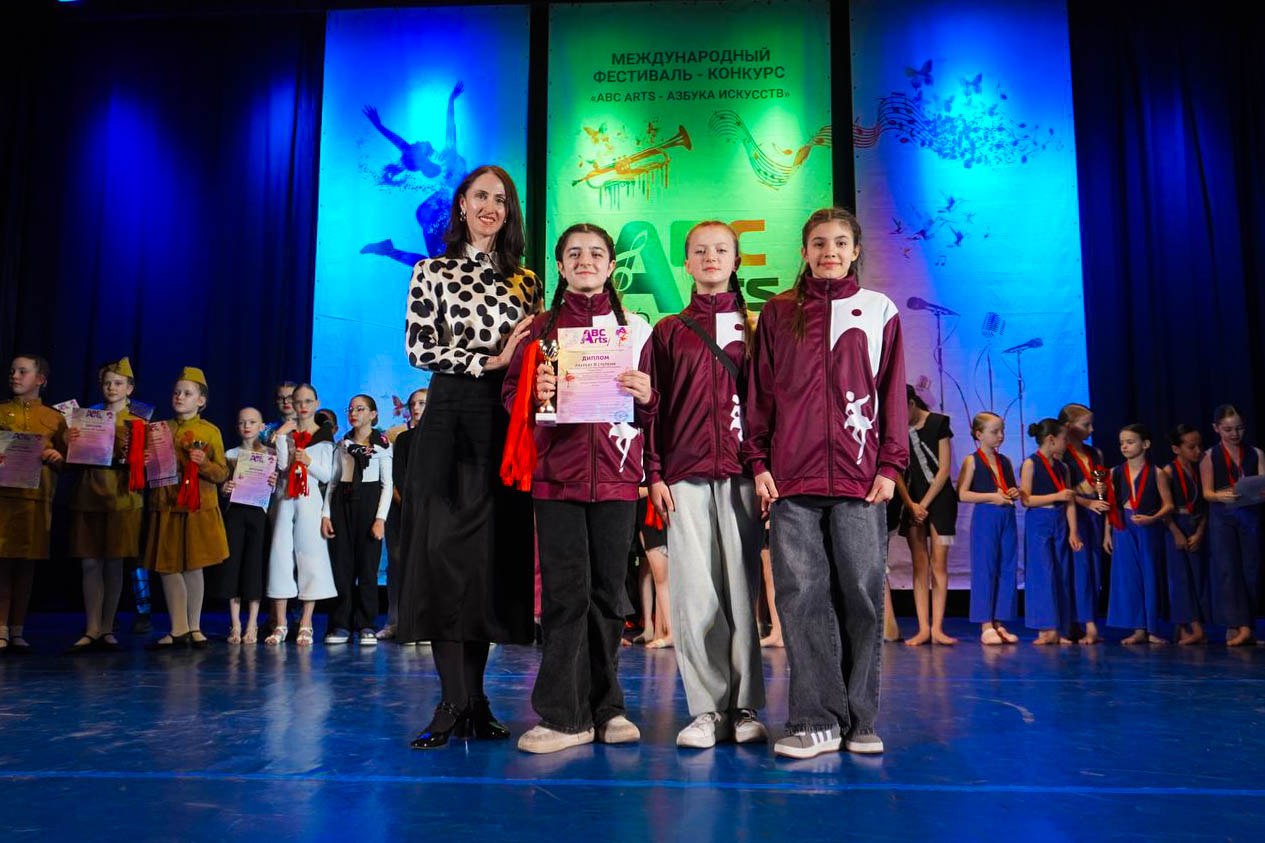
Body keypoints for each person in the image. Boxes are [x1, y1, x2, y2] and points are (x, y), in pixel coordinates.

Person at [743, 208, 907, 759]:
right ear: (804, 250)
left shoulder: (879, 310)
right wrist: (759, 462)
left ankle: (860, 721)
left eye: (839, 242)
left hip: (861, 481)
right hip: (792, 481)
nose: (829, 251)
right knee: (801, 599)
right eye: (818, 243)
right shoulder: (778, 312)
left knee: (861, 596)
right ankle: (816, 721)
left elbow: (893, 393)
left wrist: (891, 466)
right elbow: (760, 394)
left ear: (855, 250)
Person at [501, 222, 656, 755]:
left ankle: (608, 708)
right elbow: (510, 400)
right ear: (561, 265)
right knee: (565, 597)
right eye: (574, 253)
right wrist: (533, 389)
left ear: (611, 266)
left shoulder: (636, 330)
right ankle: (565, 716)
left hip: (617, 478)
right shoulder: (539, 329)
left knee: (609, 597)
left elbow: (656, 409)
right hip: (556, 478)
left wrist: (648, 394)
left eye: (595, 253)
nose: (585, 261)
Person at [400, 165, 540, 750]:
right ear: (461, 204)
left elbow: (536, 353)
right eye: (481, 196)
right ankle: (451, 700)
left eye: (500, 200)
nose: (490, 207)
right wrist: (490, 359)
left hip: (504, 422)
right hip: (450, 419)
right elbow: (417, 348)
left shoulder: (527, 281)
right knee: (444, 559)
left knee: (486, 563)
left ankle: (476, 701)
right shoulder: (430, 271)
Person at [646, 219, 767, 749]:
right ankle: (706, 709)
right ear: (687, 263)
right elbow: (650, 407)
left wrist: (766, 470)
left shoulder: (758, 326)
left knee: (742, 592)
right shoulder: (668, 330)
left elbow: (772, 405)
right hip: (685, 475)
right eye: (700, 250)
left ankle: (744, 707)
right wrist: (654, 473)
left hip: (743, 473)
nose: (711, 257)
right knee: (695, 595)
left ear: (736, 260)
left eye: (721, 249)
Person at [141, 367, 229, 650]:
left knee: (193, 566)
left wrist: (203, 463)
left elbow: (222, 473)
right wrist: (144, 461)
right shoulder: (159, 429)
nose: (179, 397)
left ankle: (194, 626)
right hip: (166, 505)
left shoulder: (210, 431)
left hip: (197, 508)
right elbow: (148, 471)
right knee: (167, 566)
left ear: (201, 401)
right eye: (177, 392)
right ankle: (178, 628)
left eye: (187, 393)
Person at [65, 357, 146, 653]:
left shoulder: (139, 422)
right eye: (107, 383)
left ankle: (108, 626)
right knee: (90, 563)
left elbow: (148, 465)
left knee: (114, 563)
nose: (112, 388)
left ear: (129, 388)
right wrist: (68, 440)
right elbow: (69, 462)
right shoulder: (87, 417)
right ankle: (92, 627)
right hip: (89, 493)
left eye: (118, 383)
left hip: (122, 498)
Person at [0, 355, 66, 653]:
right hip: (4, 500)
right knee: (3, 564)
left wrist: (57, 457)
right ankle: (1, 628)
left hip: (37, 501)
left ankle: (17, 630)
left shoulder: (55, 418)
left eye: (22, 371)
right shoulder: (1, 412)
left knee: (26, 566)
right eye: (13, 371)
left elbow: (71, 462)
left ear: (40, 379)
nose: (15, 375)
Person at [265, 383, 337, 646]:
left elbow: (328, 475)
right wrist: (282, 437)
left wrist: (309, 462)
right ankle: (281, 623)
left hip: (310, 500)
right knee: (280, 556)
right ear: (293, 405)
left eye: (308, 401)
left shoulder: (324, 437)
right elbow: (283, 466)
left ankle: (306, 622)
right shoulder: (287, 433)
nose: (303, 406)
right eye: (298, 401)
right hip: (286, 498)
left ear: (316, 403)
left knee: (311, 557)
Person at [322, 395, 393, 646]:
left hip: (369, 503)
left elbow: (387, 485)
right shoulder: (343, 444)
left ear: (373, 414)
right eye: (351, 409)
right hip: (342, 502)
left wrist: (380, 519)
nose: (354, 413)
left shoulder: (382, 445)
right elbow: (333, 481)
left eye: (360, 409)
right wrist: (326, 514)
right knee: (341, 568)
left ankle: (366, 624)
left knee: (367, 569)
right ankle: (340, 624)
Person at [896, 384, 959, 645]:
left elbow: (944, 469)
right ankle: (923, 628)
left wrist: (924, 503)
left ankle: (938, 628)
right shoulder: (895, 429)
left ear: (912, 404)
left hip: (940, 500)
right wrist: (911, 504)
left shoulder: (938, 423)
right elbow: (895, 470)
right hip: (911, 500)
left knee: (938, 564)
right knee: (919, 564)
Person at [1200, 404, 1263, 646]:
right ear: (1216, 428)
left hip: (1249, 514)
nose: (1235, 434)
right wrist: (1221, 495)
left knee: (1251, 570)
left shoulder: (1256, 453)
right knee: (1228, 570)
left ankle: (1248, 625)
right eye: (1228, 429)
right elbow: (1207, 493)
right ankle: (1236, 626)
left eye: (1239, 428)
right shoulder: (1209, 456)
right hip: (1223, 516)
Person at [1104, 424, 1173, 644]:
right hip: (1123, 527)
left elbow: (1168, 505)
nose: (1124, 446)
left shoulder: (1157, 473)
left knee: (1149, 575)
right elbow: (1110, 505)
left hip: (1148, 527)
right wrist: (1107, 533)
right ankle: (1138, 629)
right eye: (1122, 443)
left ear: (1145, 444)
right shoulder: (1114, 473)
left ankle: (1153, 628)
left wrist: (1153, 519)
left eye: (1130, 442)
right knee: (1129, 577)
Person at [956, 411, 1020, 645]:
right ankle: (985, 623)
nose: (1000, 435)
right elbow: (962, 494)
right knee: (985, 568)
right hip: (986, 515)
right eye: (995, 432)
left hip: (1007, 515)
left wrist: (1014, 492)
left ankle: (1000, 621)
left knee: (1007, 567)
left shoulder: (1005, 461)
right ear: (979, 434)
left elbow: (1010, 488)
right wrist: (991, 497)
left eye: (1002, 431)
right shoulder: (972, 460)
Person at [211, 407, 273, 645]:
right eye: (242, 422)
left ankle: (252, 623)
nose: (247, 426)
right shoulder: (231, 454)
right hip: (235, 514)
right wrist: (225, 489)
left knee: (254, 568)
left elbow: (276, 489)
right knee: (233, 567)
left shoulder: (270, 455)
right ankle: (235, 623)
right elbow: (223, 485)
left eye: (252, 422)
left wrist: (274, 481)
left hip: (259, 514)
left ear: (261, 426)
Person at [1019, 418, 1082, 645]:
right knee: (1042, 574)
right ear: (1051, 440)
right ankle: (1046, 629)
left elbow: (1070, 501)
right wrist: (1056, 496)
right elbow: (1026, 500)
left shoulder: (1063, 467)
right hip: (1039, 519)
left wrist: (1073, 531)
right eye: (1064, 439)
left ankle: (1063, 628)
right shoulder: (1030, 464)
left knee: (1062, 574)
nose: (1067, 443)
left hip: (1060, 519)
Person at [1059, 403, 1109, 643]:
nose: (1091, 429)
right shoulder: (1062, 456)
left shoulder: (1094, 453)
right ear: (1069, 427)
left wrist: (1101, 494)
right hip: (1074, 515)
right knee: (1079, 571)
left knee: (1094, 570)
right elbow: (1063, 491)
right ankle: (1083, 624)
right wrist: (1086, 502)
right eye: (1086, 425)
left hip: (1095, 515)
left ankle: (1088, 622)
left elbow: (1101, 485)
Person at [381, 387, 427, 641]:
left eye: (422, 403)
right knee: (398, 565)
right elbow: (396, 478)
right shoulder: (403, 439)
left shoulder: (443, 438)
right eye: (413, 404)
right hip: (403, 512)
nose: (417, 408)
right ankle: (395, 621)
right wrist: (409, 508)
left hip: (433, 514)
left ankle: (425, 624)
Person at [1163, 424, 1209, 645]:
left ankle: (1185, 628)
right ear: (1176, 449)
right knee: (1180, 579)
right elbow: (1164, 508)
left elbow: (1205, 505)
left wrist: (1200, 531)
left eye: (1199, 446)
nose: (1197, 451)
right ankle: (1194, 627)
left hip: (1196, 524)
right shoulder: (1168, 472)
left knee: (1197, 578)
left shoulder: (1201, 468)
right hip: (1176, 525)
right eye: (1191, 447)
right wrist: (1176, 532)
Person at [259, 381, 297, 448]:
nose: (285, 401)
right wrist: (279, 433)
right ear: (275, 400)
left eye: (290, 397)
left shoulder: (309, 427)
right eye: (281, 398)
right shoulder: (264, 430)